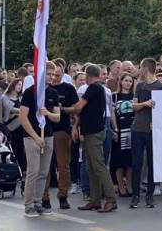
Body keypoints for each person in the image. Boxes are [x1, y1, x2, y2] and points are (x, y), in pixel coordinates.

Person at [19, 61, 62, 218]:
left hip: (48, 135)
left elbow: (57, 117)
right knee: (34, 170)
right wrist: (35, 137)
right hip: (32, 136)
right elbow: (23, 117)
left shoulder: (53, 93)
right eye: (48, 74)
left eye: (53, 74)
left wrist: (48, 113)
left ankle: (38, 201)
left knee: (44, 171)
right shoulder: (31, 92)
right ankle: (28, 204)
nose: (51, 77)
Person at [75, 65, 118, 213]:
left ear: (88, 76)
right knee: (91, 167)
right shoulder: (98, 89)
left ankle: (111, 199)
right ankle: (95, 200)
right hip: (90, 132)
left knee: (98, 166)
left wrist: (63, 109)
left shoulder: (93, 88)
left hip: (94, 132)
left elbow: (79, 107)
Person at [130, 58, 162, 209]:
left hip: (153, 130)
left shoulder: (161, 87)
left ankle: (149, 195)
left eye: (141, 68)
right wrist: (144, 104)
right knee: (136, 163)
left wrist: (157, 122)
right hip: (137, 128)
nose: (140, 71)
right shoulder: (140, 86)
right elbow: (134, 106)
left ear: (145, 68)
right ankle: (135, 195)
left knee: (152, 164)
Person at [45, 64, 79, 210]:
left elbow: (76, 108)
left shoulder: (69, 88)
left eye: (56, 75)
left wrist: (74, 126)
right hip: (45, 130)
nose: (53, 77)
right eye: (51, 74)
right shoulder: (43, 90)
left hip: (61, 130)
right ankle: (44, 197)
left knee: (63, 165)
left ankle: (63, 195)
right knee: (45, 166)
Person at [110, 73, 135, 197]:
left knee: (130, 161)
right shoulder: (115, 96)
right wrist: (115, 129)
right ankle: (120, 187)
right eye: (126, 80)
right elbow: (113, 113)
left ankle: (129, 186)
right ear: (121, 82)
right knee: (119, 161)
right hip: (120, 128)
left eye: (130, 81)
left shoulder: (135, 96)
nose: (128, 83)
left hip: (132, 128)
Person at [1, 77, 27, 175]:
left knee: (21, 149)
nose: (20, 87)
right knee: (11, 148)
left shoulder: (22, 97)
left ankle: (21, 169)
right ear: (13, 85)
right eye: (18, 84)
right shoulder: (5, 97)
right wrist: (22, 111)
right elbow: (10, 110)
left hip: (21, 127)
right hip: (10, 126)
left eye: (21, 85)